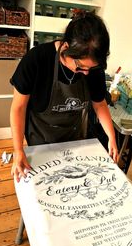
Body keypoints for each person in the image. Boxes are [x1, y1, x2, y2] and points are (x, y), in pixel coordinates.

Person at [10, 11, 118, 182]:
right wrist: (18, 150)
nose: (86, 73)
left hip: (75, 139)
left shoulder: (92, 68)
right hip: (41, 139)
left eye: (91, 68)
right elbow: (19, 107)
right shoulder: (37, 59)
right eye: (80, 66)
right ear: (66, 47)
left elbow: (99, 104)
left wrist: (111, 137)